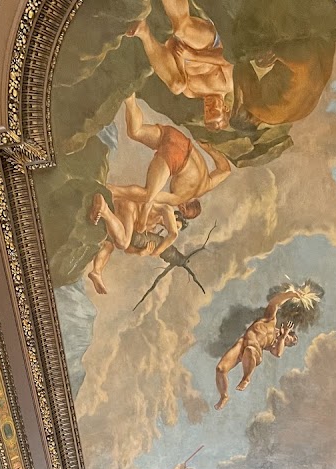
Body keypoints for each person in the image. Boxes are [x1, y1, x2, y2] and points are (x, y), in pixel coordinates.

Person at [106, 95, 230, 233]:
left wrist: (209, 149)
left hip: (180, 139)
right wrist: (141, 223)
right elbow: (150, 199)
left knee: (135, 131)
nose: (179, 209)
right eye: (182, 210)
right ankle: (110, 189)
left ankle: (129, 98)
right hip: (175, 156)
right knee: (146, 194)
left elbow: (225, 170)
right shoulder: (179, 198)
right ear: (184, 207)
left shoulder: (207, 184)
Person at [126, 0, 233, 130]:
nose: (208, 108)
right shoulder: (227, 85)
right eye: (214, 112)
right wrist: (193, 55)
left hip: (182, 53)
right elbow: (228, 59)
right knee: (181, 30)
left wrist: (181, 56)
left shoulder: (192, 93)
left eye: (206, 113)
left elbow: (177, 63)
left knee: (177, 87)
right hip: (208, 45)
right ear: (225, 107)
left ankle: (144, 33)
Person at [87, 194, 198, 295]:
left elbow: (128, 249)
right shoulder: (163, 210)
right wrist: (156, 252)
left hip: (120, 222)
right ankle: (105, 210)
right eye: (176, 225)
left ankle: (96, 271)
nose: (172, 227)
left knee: (109, 245)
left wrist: (139, 252)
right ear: (174, 217)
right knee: (123, 243)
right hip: (127, 208)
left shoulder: (152, 228)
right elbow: (173, 234)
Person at [214, 289, 301, 409]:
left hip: (254, 353)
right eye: (288, 338)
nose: (286, 340)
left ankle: (246, 377)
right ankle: (224, 396)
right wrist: (290, 294)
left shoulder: (274, 344)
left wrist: (283, 336)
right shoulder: (270, 320)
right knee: (220, 369)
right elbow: (274, 303)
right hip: (242, 345)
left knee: (250, 349)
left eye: (287, 342)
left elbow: (278, 354)